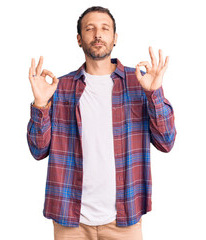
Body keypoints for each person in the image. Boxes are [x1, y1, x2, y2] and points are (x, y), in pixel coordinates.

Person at [27, 6, 176, 240]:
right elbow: (38, 150)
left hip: (124, 219)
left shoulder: (140, 83)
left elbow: (166, 142)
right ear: (79, 39)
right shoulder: (59, 87)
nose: (98, 34)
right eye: (90, 28)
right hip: (70, 221)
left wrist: (154, 93)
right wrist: (40, 104)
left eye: (105, 28)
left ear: (115, 38)